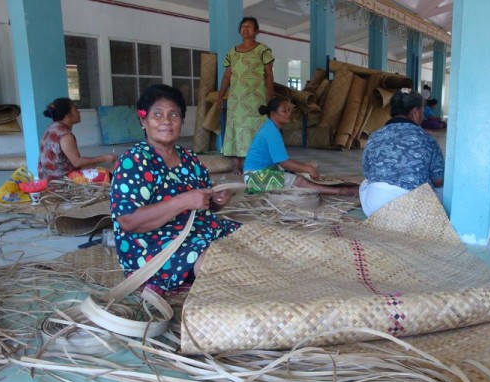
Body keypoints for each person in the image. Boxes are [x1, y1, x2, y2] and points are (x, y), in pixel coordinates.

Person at [110, 84, 241, 293]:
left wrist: (216, 202)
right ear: (144, 121)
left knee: (247, 240)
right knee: (215, 264)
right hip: (152, 246)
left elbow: (203, 206)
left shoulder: (188, 158)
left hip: (197, 230)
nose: (166, 121)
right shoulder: (134, 161)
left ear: (181, 121)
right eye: (157, 114)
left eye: (174, 114)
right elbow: (128, 221)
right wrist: (183, 201)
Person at [243, 97, 358, 196]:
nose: (289, 113)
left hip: (258, 172)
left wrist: (304, 166)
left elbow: (281, 162)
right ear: (273, 114)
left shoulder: (270, 128)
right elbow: (284, 162)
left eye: (289, 110)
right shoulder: (271, 132)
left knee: (296, 170)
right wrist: (308, 168)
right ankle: (340, 191)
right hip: (254, 179)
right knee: (299, 180)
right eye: (284, 111)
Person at [360, 90, 445, 217]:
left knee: (365, 183)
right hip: (413, 211)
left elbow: (368, 172)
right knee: (444, 188)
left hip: (374, 208)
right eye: (422, 111)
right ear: (415, 112)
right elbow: (439, 180)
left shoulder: (374, 135)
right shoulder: (426, 138)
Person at [217, 16, 275, 175]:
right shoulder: (232, 52)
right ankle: (237, 165)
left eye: (249, 26)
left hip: (256, 99)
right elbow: (227, 76)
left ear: (256, 31)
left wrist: (270, 96)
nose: (245, 29)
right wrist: (220, 96)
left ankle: (255, 163)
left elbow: (269, 74)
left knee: (255, 129)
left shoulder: (263, 50)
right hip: (236, 99)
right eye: (243, 26)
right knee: (236, 129)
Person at [38, 98, 116, 182]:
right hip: (60, 181)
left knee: (93, 170)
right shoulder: (65, 135)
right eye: (75, 110)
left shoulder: (52, 128)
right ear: (67, 114)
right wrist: (105, 158)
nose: (79, 112)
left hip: (47, 179)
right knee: (106, 175)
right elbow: (77, 162)